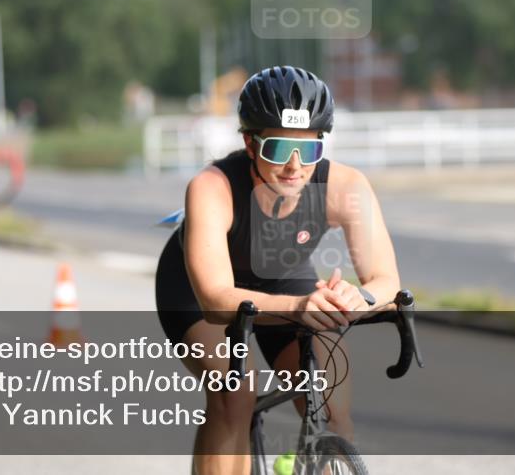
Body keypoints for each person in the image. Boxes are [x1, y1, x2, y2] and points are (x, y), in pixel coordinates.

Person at [155, 66, 401, 474]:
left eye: (306, 151)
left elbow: (386, 280)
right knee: (235, 394)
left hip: (284, 279)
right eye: (277, 149)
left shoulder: (346, 186)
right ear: (250, 145)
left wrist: (360, 297)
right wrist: (299, 306)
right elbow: (216, 300)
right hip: (200, 291)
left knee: (333, 410)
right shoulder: (211, 187)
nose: (293, 166)